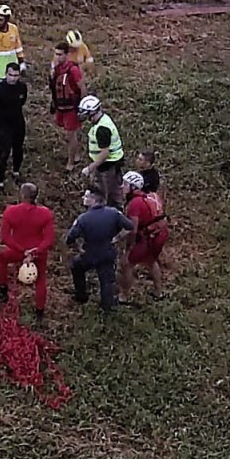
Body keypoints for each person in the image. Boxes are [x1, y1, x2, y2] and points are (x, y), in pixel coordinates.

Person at [64, 186, 134, 313]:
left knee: (76, 267)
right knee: (106, 281)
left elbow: (70, 238)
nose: (83, 198)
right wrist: (117, 238)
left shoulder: (83, 218)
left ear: (93, 200)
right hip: (107, 252)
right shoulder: (113, 213)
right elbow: (129, 226)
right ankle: (107, 308)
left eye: (86, 196)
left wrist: (78, 248)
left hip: (89, 253)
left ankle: (81, 295)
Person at [0, 183, 56, 321]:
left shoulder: (11, 211)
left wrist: (22, 251)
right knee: (40, 280)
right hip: (37, 253)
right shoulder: (45, 213)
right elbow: (49, 238)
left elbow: (5, 237)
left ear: (22, 195)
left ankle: (3, 290)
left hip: (17, 250)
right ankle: (39, 311)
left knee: (1, 258)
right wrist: (36, 251)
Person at [119, 171, 170, 302]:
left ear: (134, 187)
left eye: (125, 184)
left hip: (147, 237)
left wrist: (128, 250)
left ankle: (124, 296)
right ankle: (158, 291)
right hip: (160, 234)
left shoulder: (134, 204)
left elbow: (133, 230)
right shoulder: (151, 196)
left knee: (127, 264)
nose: (121, 186)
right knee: (151, 261)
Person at [78, 95, 125, 209]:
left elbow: (104, 153)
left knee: (107, 195)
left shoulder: (102, 129)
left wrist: (90, 168)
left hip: (108, 166)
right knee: (113, 193)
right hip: (110, 164)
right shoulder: (103, 120)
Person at [0, 62, 28, 190]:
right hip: (5, 125)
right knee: (4, 153)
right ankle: (0, 180)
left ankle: (16, 171)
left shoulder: (22, 87)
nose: (13, 78)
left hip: (18, 122)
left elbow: (23, 101)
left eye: (16, 75)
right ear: (6, 74)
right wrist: (1, 116)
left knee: (18, 149)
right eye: (11, 75)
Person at [49, 41, 87, 171]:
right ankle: (75, 154)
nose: (57, 57)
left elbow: (82, 87)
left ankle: (71, 162)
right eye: (56, 54)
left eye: (60, 54)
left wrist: (82, 106)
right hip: (61, 106)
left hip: (71, 107)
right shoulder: (56, 69)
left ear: (67, 55)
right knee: (68, 133)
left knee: (71, 135)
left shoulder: (73, 69)